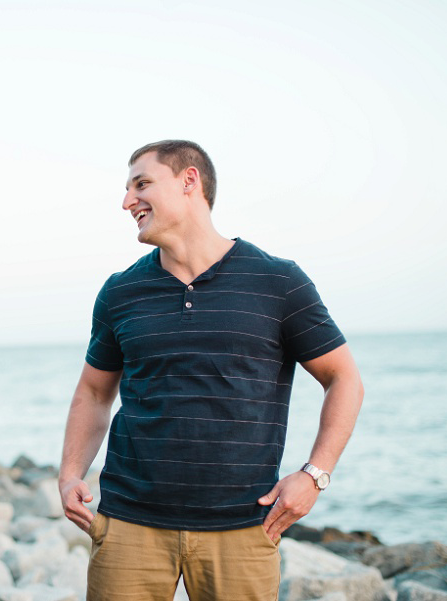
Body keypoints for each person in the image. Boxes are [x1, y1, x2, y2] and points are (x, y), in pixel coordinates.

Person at [58, 141, 364, 601]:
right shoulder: (121, 292)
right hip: (128, 525)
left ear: (189, 181)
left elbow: (344, 379)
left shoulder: (278, 281)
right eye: (126, 190)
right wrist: (69, 474)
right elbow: (94, 392)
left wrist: (314, 475)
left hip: (243, 526)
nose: (127, 202)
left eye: (141, 184)